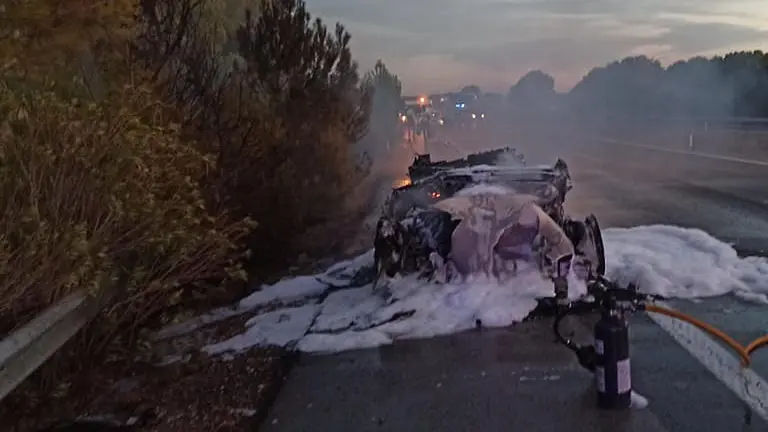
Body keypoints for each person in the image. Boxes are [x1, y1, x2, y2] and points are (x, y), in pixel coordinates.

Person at [431, 187, 575, 308]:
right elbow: (562, 245)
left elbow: (562, 245)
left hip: (501, 288)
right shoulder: (470, 228)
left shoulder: (527, 214)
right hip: (502, 288)